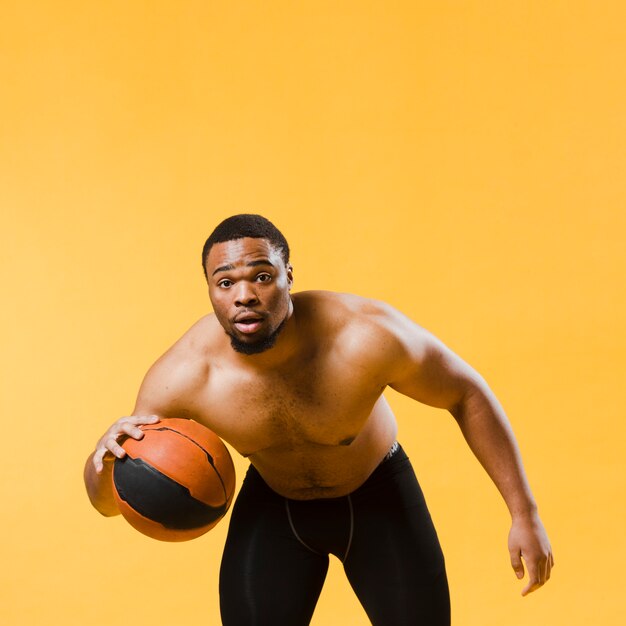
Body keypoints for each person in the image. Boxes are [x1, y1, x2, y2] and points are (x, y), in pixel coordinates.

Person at [84, 214, 553, 625]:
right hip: (275, 508)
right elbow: (108, 503)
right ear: (209, 289)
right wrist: (104, 461)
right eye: (225, 282)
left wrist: (524, 514)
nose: (244, 295)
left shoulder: (363, 335)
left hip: (379, 498)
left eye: (262, 277)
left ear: (288, 275)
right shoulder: (182, 376)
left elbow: (466, 393)